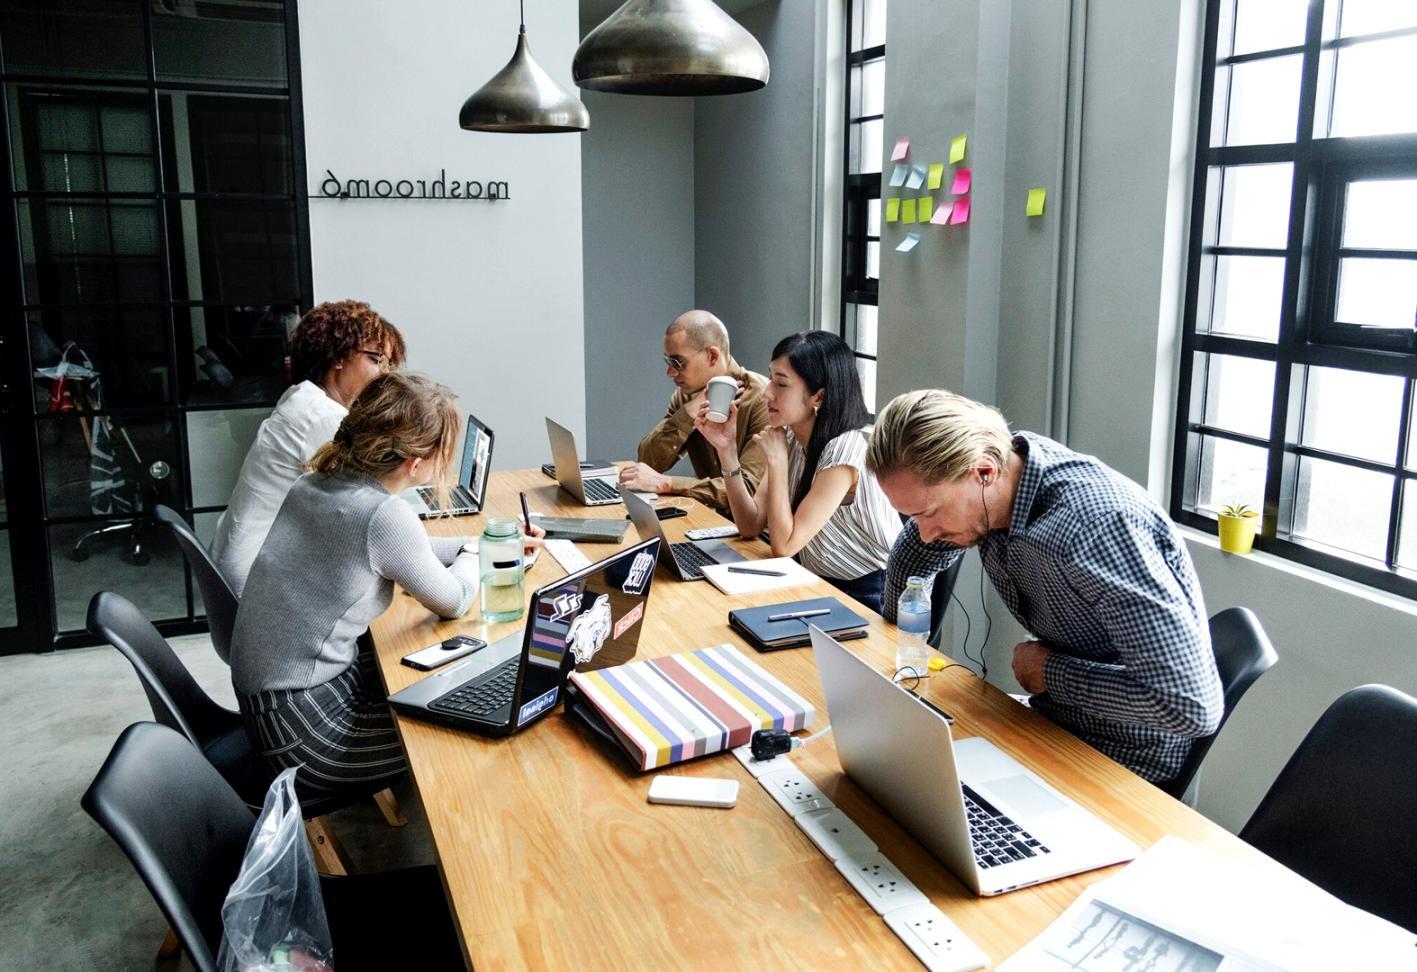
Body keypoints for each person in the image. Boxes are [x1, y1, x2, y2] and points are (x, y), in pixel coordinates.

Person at [865, 389, 1223, 784]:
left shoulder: (1098, 529)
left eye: (930, 513)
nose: (926, 534)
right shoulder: (1004, 471)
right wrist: (898, 639)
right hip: (1049, 719)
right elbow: (915, 553)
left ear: (984, 473)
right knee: (892, 775)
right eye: (911, 515)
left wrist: (1050, 672)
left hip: (1121, 759)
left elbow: (1189, 706)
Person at [229, 373, 542, 798]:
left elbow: (404, 549)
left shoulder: (314, 484)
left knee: (443, 682)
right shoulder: (383, 517)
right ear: (416, 464)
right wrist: (477, 556)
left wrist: (479, 543)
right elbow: (456, 599)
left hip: (268, 708)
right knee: (478, 731)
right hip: (303, 736)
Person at [694, 331, 902, 613]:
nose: (767, 392)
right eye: (771, 378)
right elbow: (750, 524)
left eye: (781, 384)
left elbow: (785, 545)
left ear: (819, 396)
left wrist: (778, 462)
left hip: (867, 593)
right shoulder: (790, 437)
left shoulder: (846, 450)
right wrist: (726, 450)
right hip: (815, 580)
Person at [210, 299, 407, 597]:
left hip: (240, 564)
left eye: (387, 364)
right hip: (256, 583)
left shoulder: (301, 396)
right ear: (338, 356)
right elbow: (374, 505)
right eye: (375, 359)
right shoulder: (322, 417)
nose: (383, 374)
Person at [619, 310, 770, 517]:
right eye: (668, 363)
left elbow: (748, 490)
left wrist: (669, 484)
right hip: (714, 520)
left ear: (712, 356)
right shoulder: (686, 397)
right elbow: (648, 461)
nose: (670, 373)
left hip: (758, 535)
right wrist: (688, 414)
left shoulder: (763, 399)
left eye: (678, 363)